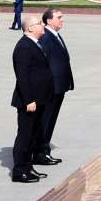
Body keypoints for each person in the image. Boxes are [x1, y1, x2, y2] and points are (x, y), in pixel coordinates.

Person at [10, 14, 52, 183]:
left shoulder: (34, 44)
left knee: (33, 135)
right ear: (30, 28)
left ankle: (28, 167)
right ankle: (19, 170)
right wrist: (29, 100)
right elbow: (23, 77)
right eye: (39, 23)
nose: (43, 25)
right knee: (25, 136)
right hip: (29, 101)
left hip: (39, 99)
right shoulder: (24, 47)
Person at [37, 9, 72, 164]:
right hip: (51, 88)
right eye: (59, 17)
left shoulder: (55, 35)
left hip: (59, 87)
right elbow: (43, 64)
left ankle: (44, 150)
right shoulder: (46, 37)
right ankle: (39, 152)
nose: (62, 20)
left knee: (51, 120)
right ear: (49, 21)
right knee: (45, 120)